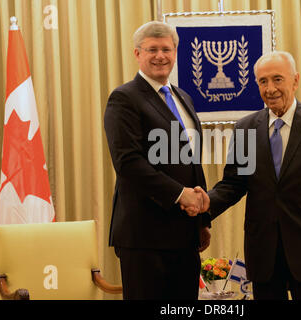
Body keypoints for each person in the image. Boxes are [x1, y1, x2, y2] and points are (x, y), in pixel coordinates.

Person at [191, 51, 301, 300]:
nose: (270, 89)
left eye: (278, 79)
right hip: (263, 251)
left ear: (295, 81)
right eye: (263, 81)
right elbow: (234, 183)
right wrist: (206, 202)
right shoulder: (245, 128)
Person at [104, 21, 211, 300]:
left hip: (184, 235)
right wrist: (179, 194)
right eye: (152, 49)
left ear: (176, 52)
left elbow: (191, 161)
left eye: (166, 49)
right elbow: (128, 163)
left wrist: (203, 218)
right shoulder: (124, 98)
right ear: (137, 54)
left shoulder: (182, 96)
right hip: (144, 236)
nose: (160, 56)